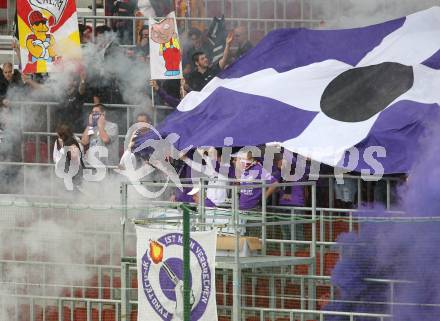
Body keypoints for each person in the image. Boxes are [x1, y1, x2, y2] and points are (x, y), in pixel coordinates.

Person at [53, 124, 85, 190]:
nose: (58, 137)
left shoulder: (74, 141)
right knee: (65, 190)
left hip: (74, 170)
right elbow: (55, 156)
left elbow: (75, 156)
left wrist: (63, 147)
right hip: (62, 170)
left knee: (75, 190)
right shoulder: (58, 141)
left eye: (59, 135)